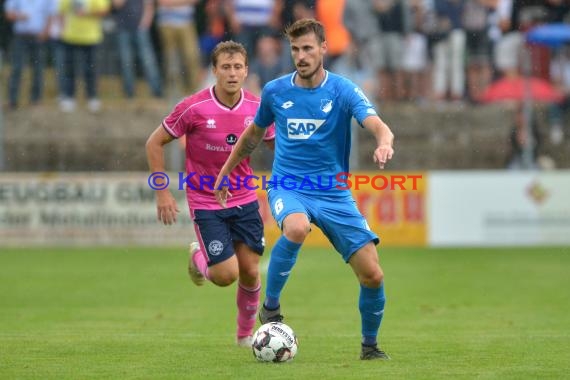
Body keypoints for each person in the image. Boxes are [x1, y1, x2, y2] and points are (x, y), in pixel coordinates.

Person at [214, 19, 395, 360]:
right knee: (297, 227)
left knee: (373, 274)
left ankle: (369, 347)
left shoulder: (343, 90)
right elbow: (254, 135)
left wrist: (384, 142)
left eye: (308, 48)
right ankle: (270, 307)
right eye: (295, 49)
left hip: (334, 193)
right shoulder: (276, 91)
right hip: (288, 185)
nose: (301, 55)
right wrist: (226, 171)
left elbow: (377, 125)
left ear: (323, 49)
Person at [145, 41, 275, 347]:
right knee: (225, 275)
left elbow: (275, 145)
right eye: (225, 67)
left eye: (238, 67)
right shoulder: (193, 107)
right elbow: (154, 142)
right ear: (214, 71)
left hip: (244, 197)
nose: (232, 73)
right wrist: (162, 193)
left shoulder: (258, 108)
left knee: (250, 271)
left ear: (246, 71)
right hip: (205, 201)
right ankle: (197, 257)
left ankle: (245, 337)